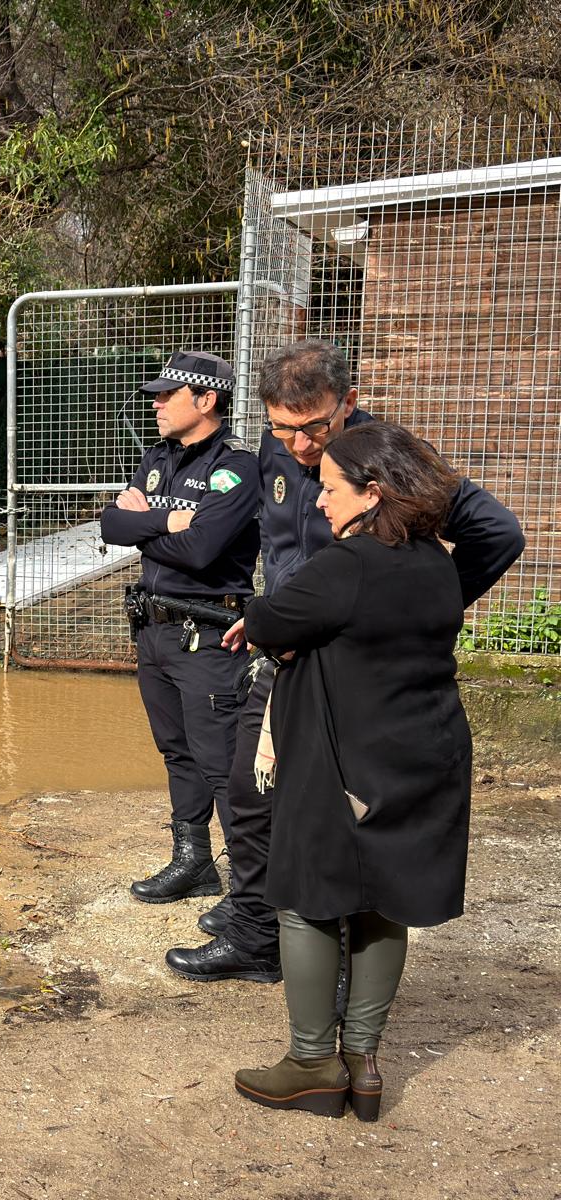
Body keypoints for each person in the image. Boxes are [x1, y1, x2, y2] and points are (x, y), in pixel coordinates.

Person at [164, 341, 524, 984]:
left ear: (348, 401)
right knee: (250, 791)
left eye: (314, 427)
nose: (301, 446)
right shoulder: (277, 446)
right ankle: (257, 920)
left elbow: (497, 533)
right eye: (283, 429)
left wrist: (411, 608)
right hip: (284, 651)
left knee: (328, 807)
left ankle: (296, 937)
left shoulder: (384, 457)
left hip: (351, 668)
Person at [231, 421, 476, 1119]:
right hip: (426, 754)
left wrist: (266, 623)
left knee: (307, 898)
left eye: (332, 488)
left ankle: (312, 1063)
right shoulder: (437, 563)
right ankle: (363, 1061)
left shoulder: (348, 565)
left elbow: (270, 619)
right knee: (384, 898)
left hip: (346, 759)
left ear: (373, 493)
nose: (318, 500)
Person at [100, 351, 259, 904]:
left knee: (222, 762)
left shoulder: (236, 467)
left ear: (207, 400)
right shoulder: (157, 458)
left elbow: (202, 549)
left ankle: (251, 891)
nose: (157, 404)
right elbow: (111, 525)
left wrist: (144, 526)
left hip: (209, 633)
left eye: (168, 395)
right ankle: (193, 863)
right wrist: (169, 521)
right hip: (154, 629)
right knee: (177, 751)